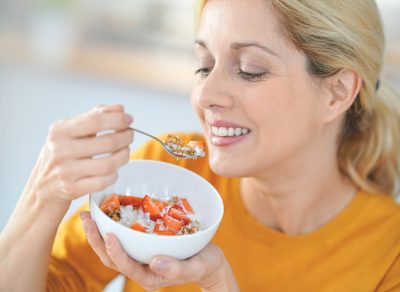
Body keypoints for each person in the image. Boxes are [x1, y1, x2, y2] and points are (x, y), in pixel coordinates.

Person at [1, 0, 400, 291]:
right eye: (203, 66)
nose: (206, 94)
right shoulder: (168, 179)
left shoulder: (389, 253)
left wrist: (218, 285)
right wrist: (42, 197)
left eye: (249, 70)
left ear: (337, 92)